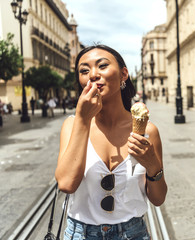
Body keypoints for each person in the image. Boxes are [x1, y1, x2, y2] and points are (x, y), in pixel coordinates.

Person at [55, 44, 167, 240]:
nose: (93, 74)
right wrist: (82, 120)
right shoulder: (72, 125)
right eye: (84, 70)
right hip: (81, 234)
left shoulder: (147, 131)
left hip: (134, 233)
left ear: (124, 74)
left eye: (102, 66)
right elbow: (66, 184)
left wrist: (153, 165)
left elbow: (158, 198)